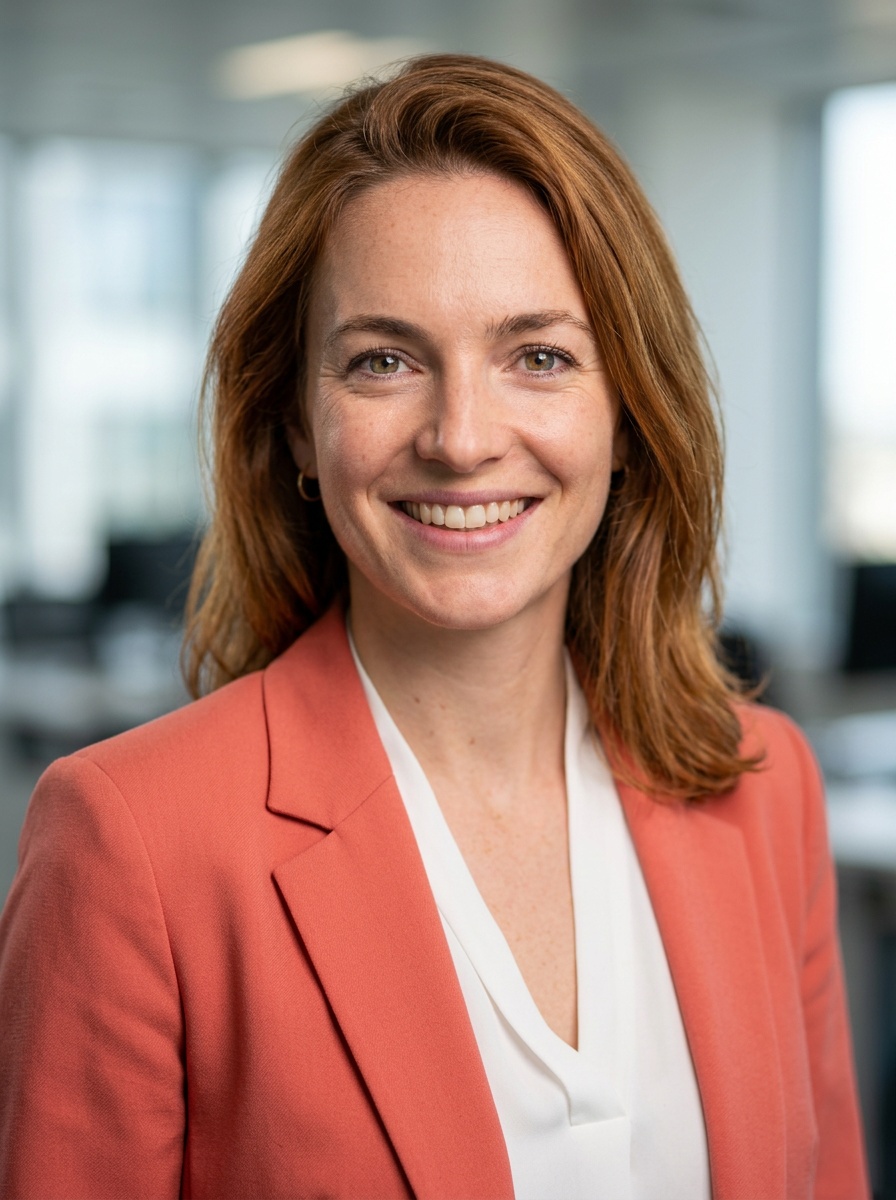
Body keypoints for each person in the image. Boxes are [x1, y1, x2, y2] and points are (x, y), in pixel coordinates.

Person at [0, 53, 868, 1200]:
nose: (461, 437)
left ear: (626, 417)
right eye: (384, 361)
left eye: (538, 356)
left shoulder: (765, 791)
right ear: (300, 430)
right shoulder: (135, 848)